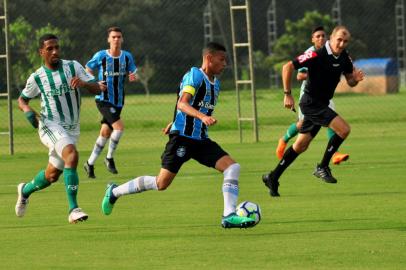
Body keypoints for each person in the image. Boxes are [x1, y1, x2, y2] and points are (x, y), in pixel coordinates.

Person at [101, 42, 256, 229]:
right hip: (182, 138)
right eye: (221, 59)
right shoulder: (195, 75)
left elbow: (184, 107)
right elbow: (183, 103)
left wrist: (175, 120)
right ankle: (114, 192)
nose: (225, 64)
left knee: (232, 167)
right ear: (209, 58)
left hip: (200, 140)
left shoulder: (216, 84)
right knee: (161, 183)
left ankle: (228, 215)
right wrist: (201, 117)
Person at [262, 26, 364, 197]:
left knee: (301, 145)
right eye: (339, 39)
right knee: (344, 129)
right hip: (311, 103)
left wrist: (356, 79)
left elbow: (350, 81)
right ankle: (322, 166)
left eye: (345, 41)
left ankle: (273, 176)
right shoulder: (316, 53)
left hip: (321, 104)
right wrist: (287, 94)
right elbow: (287, 67)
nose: (341, 43)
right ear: (331, 38)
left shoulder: (345, 57)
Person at [15, 33, 106, 223]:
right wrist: (27, 111)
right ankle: (73, 209)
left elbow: (98, 88)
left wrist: (83, 84)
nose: (55, 51)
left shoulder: (73, 66)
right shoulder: (37, 78)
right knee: (71, 155)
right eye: (50, 48)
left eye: (57, 47)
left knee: (51, 175)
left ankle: (24, 190)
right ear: (41, 52)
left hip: (71, 129)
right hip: (49, 125)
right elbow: (22, 100)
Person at [275, 26, 350, 165]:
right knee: (302, 125)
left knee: (332, 121)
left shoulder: (337, 53)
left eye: (323, 36)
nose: (321, 38)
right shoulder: (311, 53)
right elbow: (299, 74)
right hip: (309, 95)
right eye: (318, 36)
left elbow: (348, 75)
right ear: (312, 39)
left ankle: (334, 154)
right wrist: (319, 73)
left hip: (324, 97)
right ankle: (284, 140)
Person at [83, 26, 137, 178]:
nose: (116, 39)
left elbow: (134, 72)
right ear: (108, 39)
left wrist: (134, 76)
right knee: (118, 128)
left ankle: (90, 163)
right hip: (103, 99)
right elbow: (87, 68)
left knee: (106, 132)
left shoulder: (127, 56)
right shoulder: (101, 55)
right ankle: (109, 158)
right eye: (113, 37)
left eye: (119, 37)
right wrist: (94, 82)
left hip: (119, 100)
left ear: (122, 39)